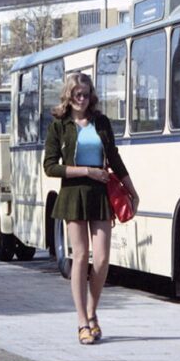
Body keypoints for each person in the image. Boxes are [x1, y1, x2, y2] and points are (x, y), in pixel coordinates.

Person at [43, 72, 139, 345]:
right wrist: (87, 171)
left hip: (100, 195)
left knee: (101, 259)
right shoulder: (59, 125)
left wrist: (132, 190)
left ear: (91, 96)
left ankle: (93, 312)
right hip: (73, 195)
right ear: (69, 96)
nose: (81, 99)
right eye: (76, 95)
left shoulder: (101, 122)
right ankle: (81, 321)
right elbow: (50, 166)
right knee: (80, 255)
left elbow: (115, 159)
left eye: (85, 94)